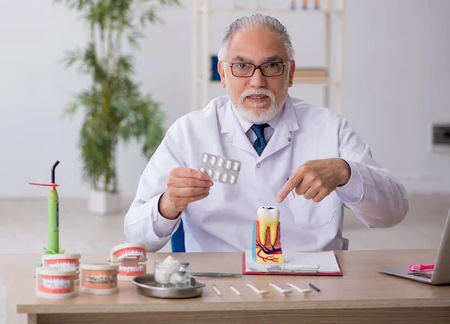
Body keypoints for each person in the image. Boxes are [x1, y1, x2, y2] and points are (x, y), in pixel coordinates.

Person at [124, 14, 409, 253]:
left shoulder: (328, 128)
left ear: (291, 73)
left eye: (272, 66)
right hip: (219, 286)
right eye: (242, 66)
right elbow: (136, 236)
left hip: (312, 286)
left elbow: (393, 211)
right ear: (223, 74)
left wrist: (347, 173)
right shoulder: (189, 133)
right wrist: (168, 205)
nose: (257, 81)